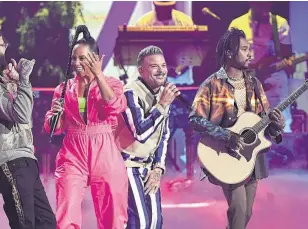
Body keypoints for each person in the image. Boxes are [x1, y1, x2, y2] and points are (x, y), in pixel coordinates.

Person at [189, 28, 286, 229]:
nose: (250, 53)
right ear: (229, 53)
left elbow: (263, 123)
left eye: (249, 48)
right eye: (244, 49)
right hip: (225, 155)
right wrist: (226, 135)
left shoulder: (255, 84)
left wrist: (277, 126)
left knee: (245, 214)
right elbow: (195, 119)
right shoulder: (212, 84)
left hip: (251, 157)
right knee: (239, 209)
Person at [0, 26, 56, 229]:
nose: (5, 50)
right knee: (24, 224)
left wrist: (16, 84)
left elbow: (23, 120)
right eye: (2, 45)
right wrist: (24, 80)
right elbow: (21, 114)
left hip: (22, 159)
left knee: (47, 223)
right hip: (9, 162)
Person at [44, 25, 128, 229]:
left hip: (105, 150)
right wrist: (55, 115)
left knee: (113, 216)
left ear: (97, 59)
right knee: (67, 213)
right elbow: (52, 128)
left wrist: (99, 76)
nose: (76, 63)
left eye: (82, 58)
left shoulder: (112, 83)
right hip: (73, 151)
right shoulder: (64, 88)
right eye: (74, 58)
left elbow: (115, 107)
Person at [115, 45, 180, 229]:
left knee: (155, 223)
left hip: (149, 166)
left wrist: (158, 168)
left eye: (163, 65)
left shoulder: (162, 93)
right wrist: (162, 105)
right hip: (128, 165)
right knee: (140, 224)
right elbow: (140, 133)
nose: (161, 71)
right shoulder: (130, 92)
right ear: (141, 71)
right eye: (154, 66)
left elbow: (163, 135)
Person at [228, 2, 293, 132]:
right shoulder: (237, 25)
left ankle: (281, 148)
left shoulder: (279, 23)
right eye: (260, 3)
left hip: (273, 79)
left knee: (279, 122)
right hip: (246, 79)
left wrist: (287, 63)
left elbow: (287, 54)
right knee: (245, 123)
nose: (264, 7)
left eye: (267, 3)